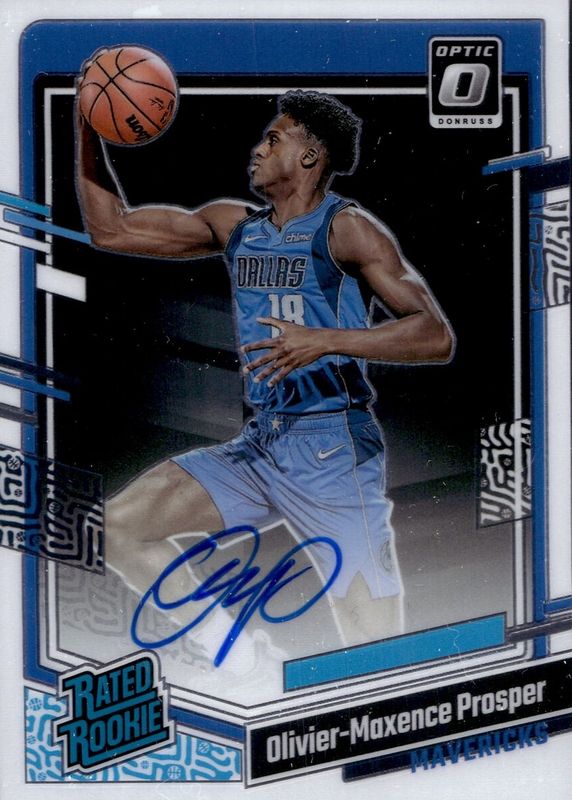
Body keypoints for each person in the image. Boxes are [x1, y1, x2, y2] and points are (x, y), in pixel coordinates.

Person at [76, 76, 455, 670]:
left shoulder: (346, 228)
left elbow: (435, 334)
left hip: (332, 450)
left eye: (273, 139)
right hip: (261, 442)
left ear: (309, 156)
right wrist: (87, 124)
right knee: (114, 527)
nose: (257, 148)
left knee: (376, 656)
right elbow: (112, 229)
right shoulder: (236, 226)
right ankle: (235, 651)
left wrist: (325, 340)